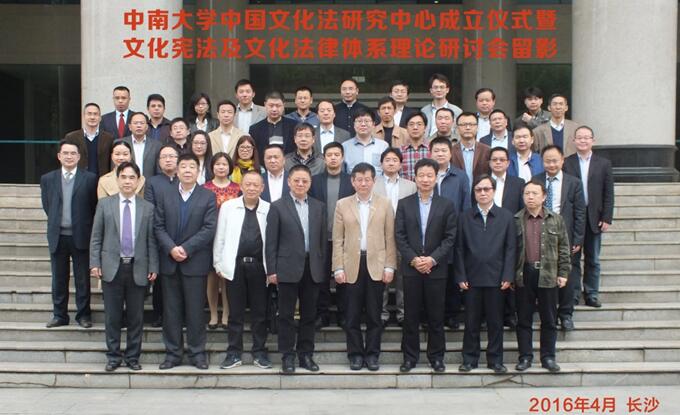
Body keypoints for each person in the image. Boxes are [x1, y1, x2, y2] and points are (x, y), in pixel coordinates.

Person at [89, 161, 158, 372]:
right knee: (113, 316)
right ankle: (113, 356)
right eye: (124, 177)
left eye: (132, 178)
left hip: (138, 267)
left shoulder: (147, 207)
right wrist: (94, 263)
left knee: (136, 317)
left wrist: (153, 266)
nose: (127, 181)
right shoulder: (105, 205)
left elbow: (151, 241)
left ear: (138, 181)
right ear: (117, 179)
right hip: (112, 267)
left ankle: (133, 357)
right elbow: (96, 237)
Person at [154, 153, 217, 370]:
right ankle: (173, 354)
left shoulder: (207, 196)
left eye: (192, 166)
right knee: (171, 311)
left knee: (195, 311)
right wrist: (171, 248)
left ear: (198, 171)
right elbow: (158, 226)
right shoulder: (165, 194)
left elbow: (209, 228)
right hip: (169, 262)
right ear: (177, 170)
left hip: (195, 262)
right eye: (184, 166)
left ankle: (197, 353)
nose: (188, 170)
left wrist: (186, 248)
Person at [333, 163, 397, 371]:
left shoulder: (385, 204)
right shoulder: (342, 204)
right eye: (359, 179)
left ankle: (372, 354)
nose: (363, 183)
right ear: (352, 182)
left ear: (373, 181)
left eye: (367, 179)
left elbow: (390, 237)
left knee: (374, 314)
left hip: (376, 264)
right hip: (351, 264)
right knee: (351, 315)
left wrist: (390, 266)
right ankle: (355, 355)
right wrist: (338, 267)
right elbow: (338, 239)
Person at [395, 159, 457, 373]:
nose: (425, 179)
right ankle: (409, 358)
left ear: (436, 177)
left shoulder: (446, 205)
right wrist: (414, 259)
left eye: (430, 175)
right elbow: (399, 236)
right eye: (421, 175)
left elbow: (450, 237)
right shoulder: (404, 204)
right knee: (410, 316)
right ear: (415, 177)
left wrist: (432, 259)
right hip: (411, 269)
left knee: (436, 316)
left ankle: (436, 357)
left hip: (436, 269)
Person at [265, 165, 327, 374]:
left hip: (312, 267)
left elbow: (322, 241)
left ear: (310, 183)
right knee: (286, 315)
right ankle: (287, 356)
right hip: (286, 267)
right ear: (289, 182)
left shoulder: (319, 207)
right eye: (297, 180)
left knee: (309, 314)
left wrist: (323, 267)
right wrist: (271, 270)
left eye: (305, 181)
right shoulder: (277, 206)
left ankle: (305, 355)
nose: (301, 184)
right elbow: (271, 242)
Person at [455, 174, 516, 374]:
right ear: (474, 193)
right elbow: (459, 249)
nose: (482, 193)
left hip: (497, 279)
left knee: (495, 322)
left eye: (486, 189)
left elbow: (510, 249)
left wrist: (508, 275)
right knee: (471, 322)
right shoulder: (464, 217)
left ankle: (495, 360)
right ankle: (469, 359)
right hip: (471, 279)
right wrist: (461, 276)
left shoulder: (506, 217)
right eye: (478, 190)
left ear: (494, 191)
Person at [214, 170, 272, 370]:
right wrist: (218, 263)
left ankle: (259, 352)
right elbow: (220, 236)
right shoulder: (229, 207)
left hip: (260, 267)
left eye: (256, 185)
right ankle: (233, 353)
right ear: (241, 186)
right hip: (235, 266)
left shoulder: (269, 209)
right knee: (235, 313)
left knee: (260, 313)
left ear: (262, 188)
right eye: (248, 184)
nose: (252, 188)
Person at [514, 179, 571, 373]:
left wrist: (563, 272)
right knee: (524, 319)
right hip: (524, 273)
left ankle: (548, 357)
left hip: (548, 273)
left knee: (549, 318)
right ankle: (525, 357)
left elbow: (564, 248)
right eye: (527, 193)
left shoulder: (556, 219)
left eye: (534, 193)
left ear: (544, 196)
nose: (530, 197)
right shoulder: (516, 220)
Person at [40, 139, 98, 328]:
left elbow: (93, 206)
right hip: (58, 236)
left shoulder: (90, 179)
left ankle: (83, 315)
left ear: (79, 157)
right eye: (65, 153)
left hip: (81, 235)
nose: (69, 156)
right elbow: (47, 205)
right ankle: (60, 315)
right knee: (58, 278)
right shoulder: (48, 179)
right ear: (59, 156)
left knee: (82, 278)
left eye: (73, 153)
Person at [534, 145, 586, 331]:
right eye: (547, 161)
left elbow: (580, 212)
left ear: (562, 161)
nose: (551, 164)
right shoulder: (536, 180)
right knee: (544, 275)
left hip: (565, 234)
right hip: (540, 234)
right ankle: (548, 315)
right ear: (542, 162)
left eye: (555, 160)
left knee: (567, 274)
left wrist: (578, 239)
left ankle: (565, 314)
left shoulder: (574, 183)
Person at [563, 126, 614, 308]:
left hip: (595, 217)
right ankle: (574, 293)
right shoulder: (566, 162)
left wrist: (607, 217)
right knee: (573, 258)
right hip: (573, 218)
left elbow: (608, 193)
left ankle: (591, 293)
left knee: (593, 258)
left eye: (587, 137)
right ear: (574, 141)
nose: (583, 141)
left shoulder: (603, 164)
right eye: (579, 137)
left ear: (593, 140)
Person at [308, 142, 355, 329]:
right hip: (321, 238)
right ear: (324, 158)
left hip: (345, 238)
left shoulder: (351, 181)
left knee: (344, 277)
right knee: (321, 278)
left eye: (337, 155)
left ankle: (344, 314)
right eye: (329, 155)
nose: (333, 158)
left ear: (342, 158)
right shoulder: (315, 180)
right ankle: (323, 314)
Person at [429, 136, 471, 329]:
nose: (440, 154)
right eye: (436, 150)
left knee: (452, 273)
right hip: (429, 233)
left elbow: (466, 206)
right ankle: (431, 316)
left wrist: (461, 231)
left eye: (443, 150)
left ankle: (452, 315)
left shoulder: (460, 177)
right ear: (430, 153)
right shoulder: (425, 174)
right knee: (431, 276)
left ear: (451, 153)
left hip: (453, 232)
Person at [373, 148, 417, 326]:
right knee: (380, 277)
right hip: (379, 237)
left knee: (403, 278)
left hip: (404, 237)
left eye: (394, 160)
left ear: (401, 164)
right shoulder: (373, 184)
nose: (391, 163)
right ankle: (381, 314)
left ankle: (403, 314)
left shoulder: (410, 185)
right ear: (381, 163)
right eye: (387, 160)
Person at [143, 144, 179, 327]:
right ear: (159, 161)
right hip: (159, 238)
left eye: (172, 156)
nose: (168, 160)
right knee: (161, 281)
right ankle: (159, 314)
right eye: (164, 157)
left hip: (181, 239)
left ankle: (180, 316)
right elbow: (150, 208)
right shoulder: (153, 182)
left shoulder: (184, 180)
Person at [204, 152, 241, 330]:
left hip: (230, 237)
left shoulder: (237, 189)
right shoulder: (204, 188)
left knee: (227, 276)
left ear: (230, 167)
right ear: (212, 167)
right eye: (217, 164)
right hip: (209, 237)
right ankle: (213, 314)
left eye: (224, 164)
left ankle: (226, 313)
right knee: (212, 277)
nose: (221, 167)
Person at [64, 102, 113, 177]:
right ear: (83, 116)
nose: (92, 117)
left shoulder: (108, 138)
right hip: (79, 179)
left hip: (102, 180)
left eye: (95, 114)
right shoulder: (71, 137)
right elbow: (66, 160)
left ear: (100, 118)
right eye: (89, 114)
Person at [249, 91, 297, 158]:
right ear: (265, 105)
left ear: (283, 105)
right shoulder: (255, 129)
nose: (274, 109)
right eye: (271, 106)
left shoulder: (294, 126)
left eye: (278, 106)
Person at [451, 112, 491, 189]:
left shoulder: (487, 151)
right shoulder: (451, 151)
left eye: (471, 124)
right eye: (463, 125)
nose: (468, 127)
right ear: (457, 128)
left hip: (481, 192)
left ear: (477, 127)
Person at [342, 109, 389, 175]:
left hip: (377, 181)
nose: (363, 124)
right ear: (354, 125)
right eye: (359, 121)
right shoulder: (345, 146)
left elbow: (387, 171)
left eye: (367, 121)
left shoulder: (383, 146)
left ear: (373, 124)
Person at [123, 112, 162, 180]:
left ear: (147, 127)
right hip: (126, 183)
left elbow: (159, 170)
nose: (139, 126)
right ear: (130, 127)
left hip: (149, 184)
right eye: (135, 123)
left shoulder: (157, 145)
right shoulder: (121, 143)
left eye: (142, 123)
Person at [400, 112, 431, 181]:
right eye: (411, 124)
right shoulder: (399, 151)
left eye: (419, 124)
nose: (415, 127)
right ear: (406, 128)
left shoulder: (432, 150)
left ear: (425, 128)